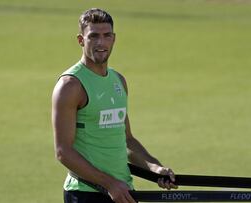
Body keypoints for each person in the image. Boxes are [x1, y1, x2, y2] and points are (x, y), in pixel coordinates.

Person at [52, 8, 177, 203]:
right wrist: (109, 184)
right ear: (80, 40)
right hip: (87, 194)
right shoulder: (71, 85)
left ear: (114, 39)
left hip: (122, 191)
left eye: (106, 35)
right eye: (93, 36)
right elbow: (63, 152)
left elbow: (127, 140)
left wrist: (154, 168)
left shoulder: (118, 81)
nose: (101, 43)